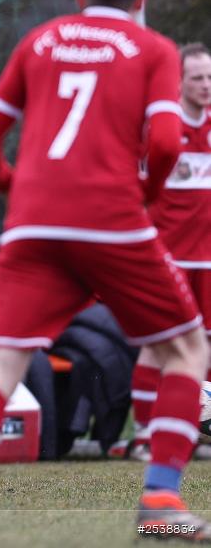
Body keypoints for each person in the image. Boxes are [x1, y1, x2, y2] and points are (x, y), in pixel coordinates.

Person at [0, 0, 210, 544]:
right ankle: (161, 500)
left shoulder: (39, 41)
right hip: (111, 221)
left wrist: (14, 187)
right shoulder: (154, 48)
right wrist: (144, 196)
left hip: (33, 226)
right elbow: (166, 143)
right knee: (188, 350)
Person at [129, 43, 211, 460]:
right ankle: (144, 435)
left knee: (206, 345)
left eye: (210, 77)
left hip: (209, 260)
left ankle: (196, 431)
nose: (206, 85)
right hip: (169, 258)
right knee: (158, 345)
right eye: (197, 78)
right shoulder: (161, 129)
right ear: (179, 82)